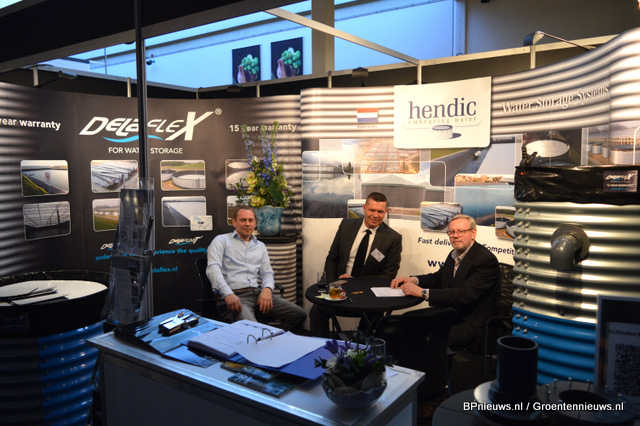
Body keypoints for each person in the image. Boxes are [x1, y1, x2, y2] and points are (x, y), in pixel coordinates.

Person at [391, 214, 500, 351]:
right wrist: (413, 280)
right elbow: (438, 278)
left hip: (473, 322)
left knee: (429, 338)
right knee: (406, 320)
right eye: (452, 232)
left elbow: (464, 295)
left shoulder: (485, 260)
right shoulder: (454, 254)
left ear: (473, 233)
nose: (455, 236)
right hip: (451, 313)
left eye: (461, 231)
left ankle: (430, 365)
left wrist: (422, 292)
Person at [309, 192, 403, 337]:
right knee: (317, 310)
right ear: (364, 208)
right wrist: (333, 283)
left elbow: (388, 275)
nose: (375, 215)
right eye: (372, 210)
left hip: (368, 293)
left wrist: (356, 282)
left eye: (380, 211)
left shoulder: (393, 238)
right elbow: (332, 258)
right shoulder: (346, 225)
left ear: (385, 212)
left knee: (374, 317)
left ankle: (360, 347)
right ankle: (321, 347)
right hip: (338, 287)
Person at [206, 206, 306, 331]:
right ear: (234, 222)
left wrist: (267, 289)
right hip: (235, 296)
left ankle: (270, 338)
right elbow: (213, 269)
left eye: (250, 220)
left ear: (255, 223)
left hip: (257, 294)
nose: (247, 224)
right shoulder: (221, 240)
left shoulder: (260, 246)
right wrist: (227, 294)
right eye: (243, 220)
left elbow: (267, 272)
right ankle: (259, 339)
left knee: (298, 314)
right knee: (253, 330)